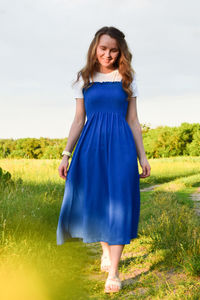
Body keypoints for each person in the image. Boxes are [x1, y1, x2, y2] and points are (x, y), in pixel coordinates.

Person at [57, 26, 151, 293]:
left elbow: (133, 120)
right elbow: (78, 120)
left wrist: (142, 156)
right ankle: (105, 250)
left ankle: (114, 271)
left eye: (113, 50)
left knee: (119, 201)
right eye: (103, 48)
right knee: (97, 200)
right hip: (90, 147)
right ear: (95, 48)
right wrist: (66, 154)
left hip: (121, 146)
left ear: (120, 51)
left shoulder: (128, 79)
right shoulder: (83, 80)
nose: (107, 54)